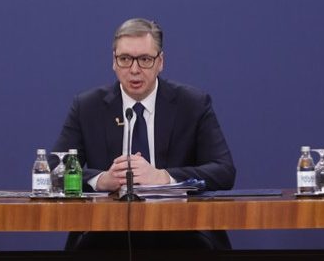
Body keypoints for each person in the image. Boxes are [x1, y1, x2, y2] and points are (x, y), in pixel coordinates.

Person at [52, 18, 236, 250]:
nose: (134, 69)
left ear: (161, 62)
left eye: (145, 60)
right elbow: (54, 169)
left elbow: (224, 171)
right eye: (125, 59)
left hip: (182, 229)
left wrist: (164, 178)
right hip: (106, 230)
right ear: (114, 62)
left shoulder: (192, 104)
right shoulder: (88, 106)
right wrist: (102, 180)